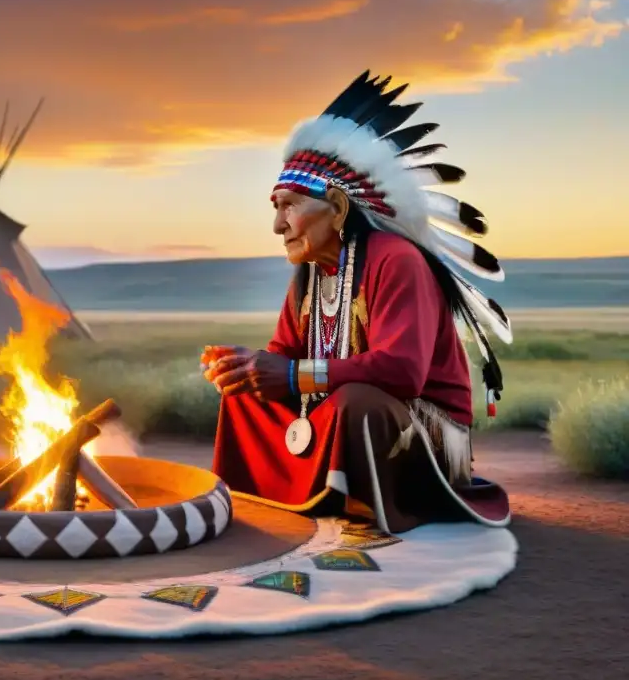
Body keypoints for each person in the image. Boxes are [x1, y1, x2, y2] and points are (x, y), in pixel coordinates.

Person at [204, 71, 513, 534]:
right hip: (349, 409)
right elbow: (284, 355)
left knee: (356, 401)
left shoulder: (398, 261)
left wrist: (291, 375)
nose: (277, 224)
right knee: (245, 397)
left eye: (288, 205)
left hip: (423, 431)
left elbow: (402, 373)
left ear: (338, 207)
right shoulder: (310, 276)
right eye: (275, 207)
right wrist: (246, 366)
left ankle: (361, 498)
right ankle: (301, 490)